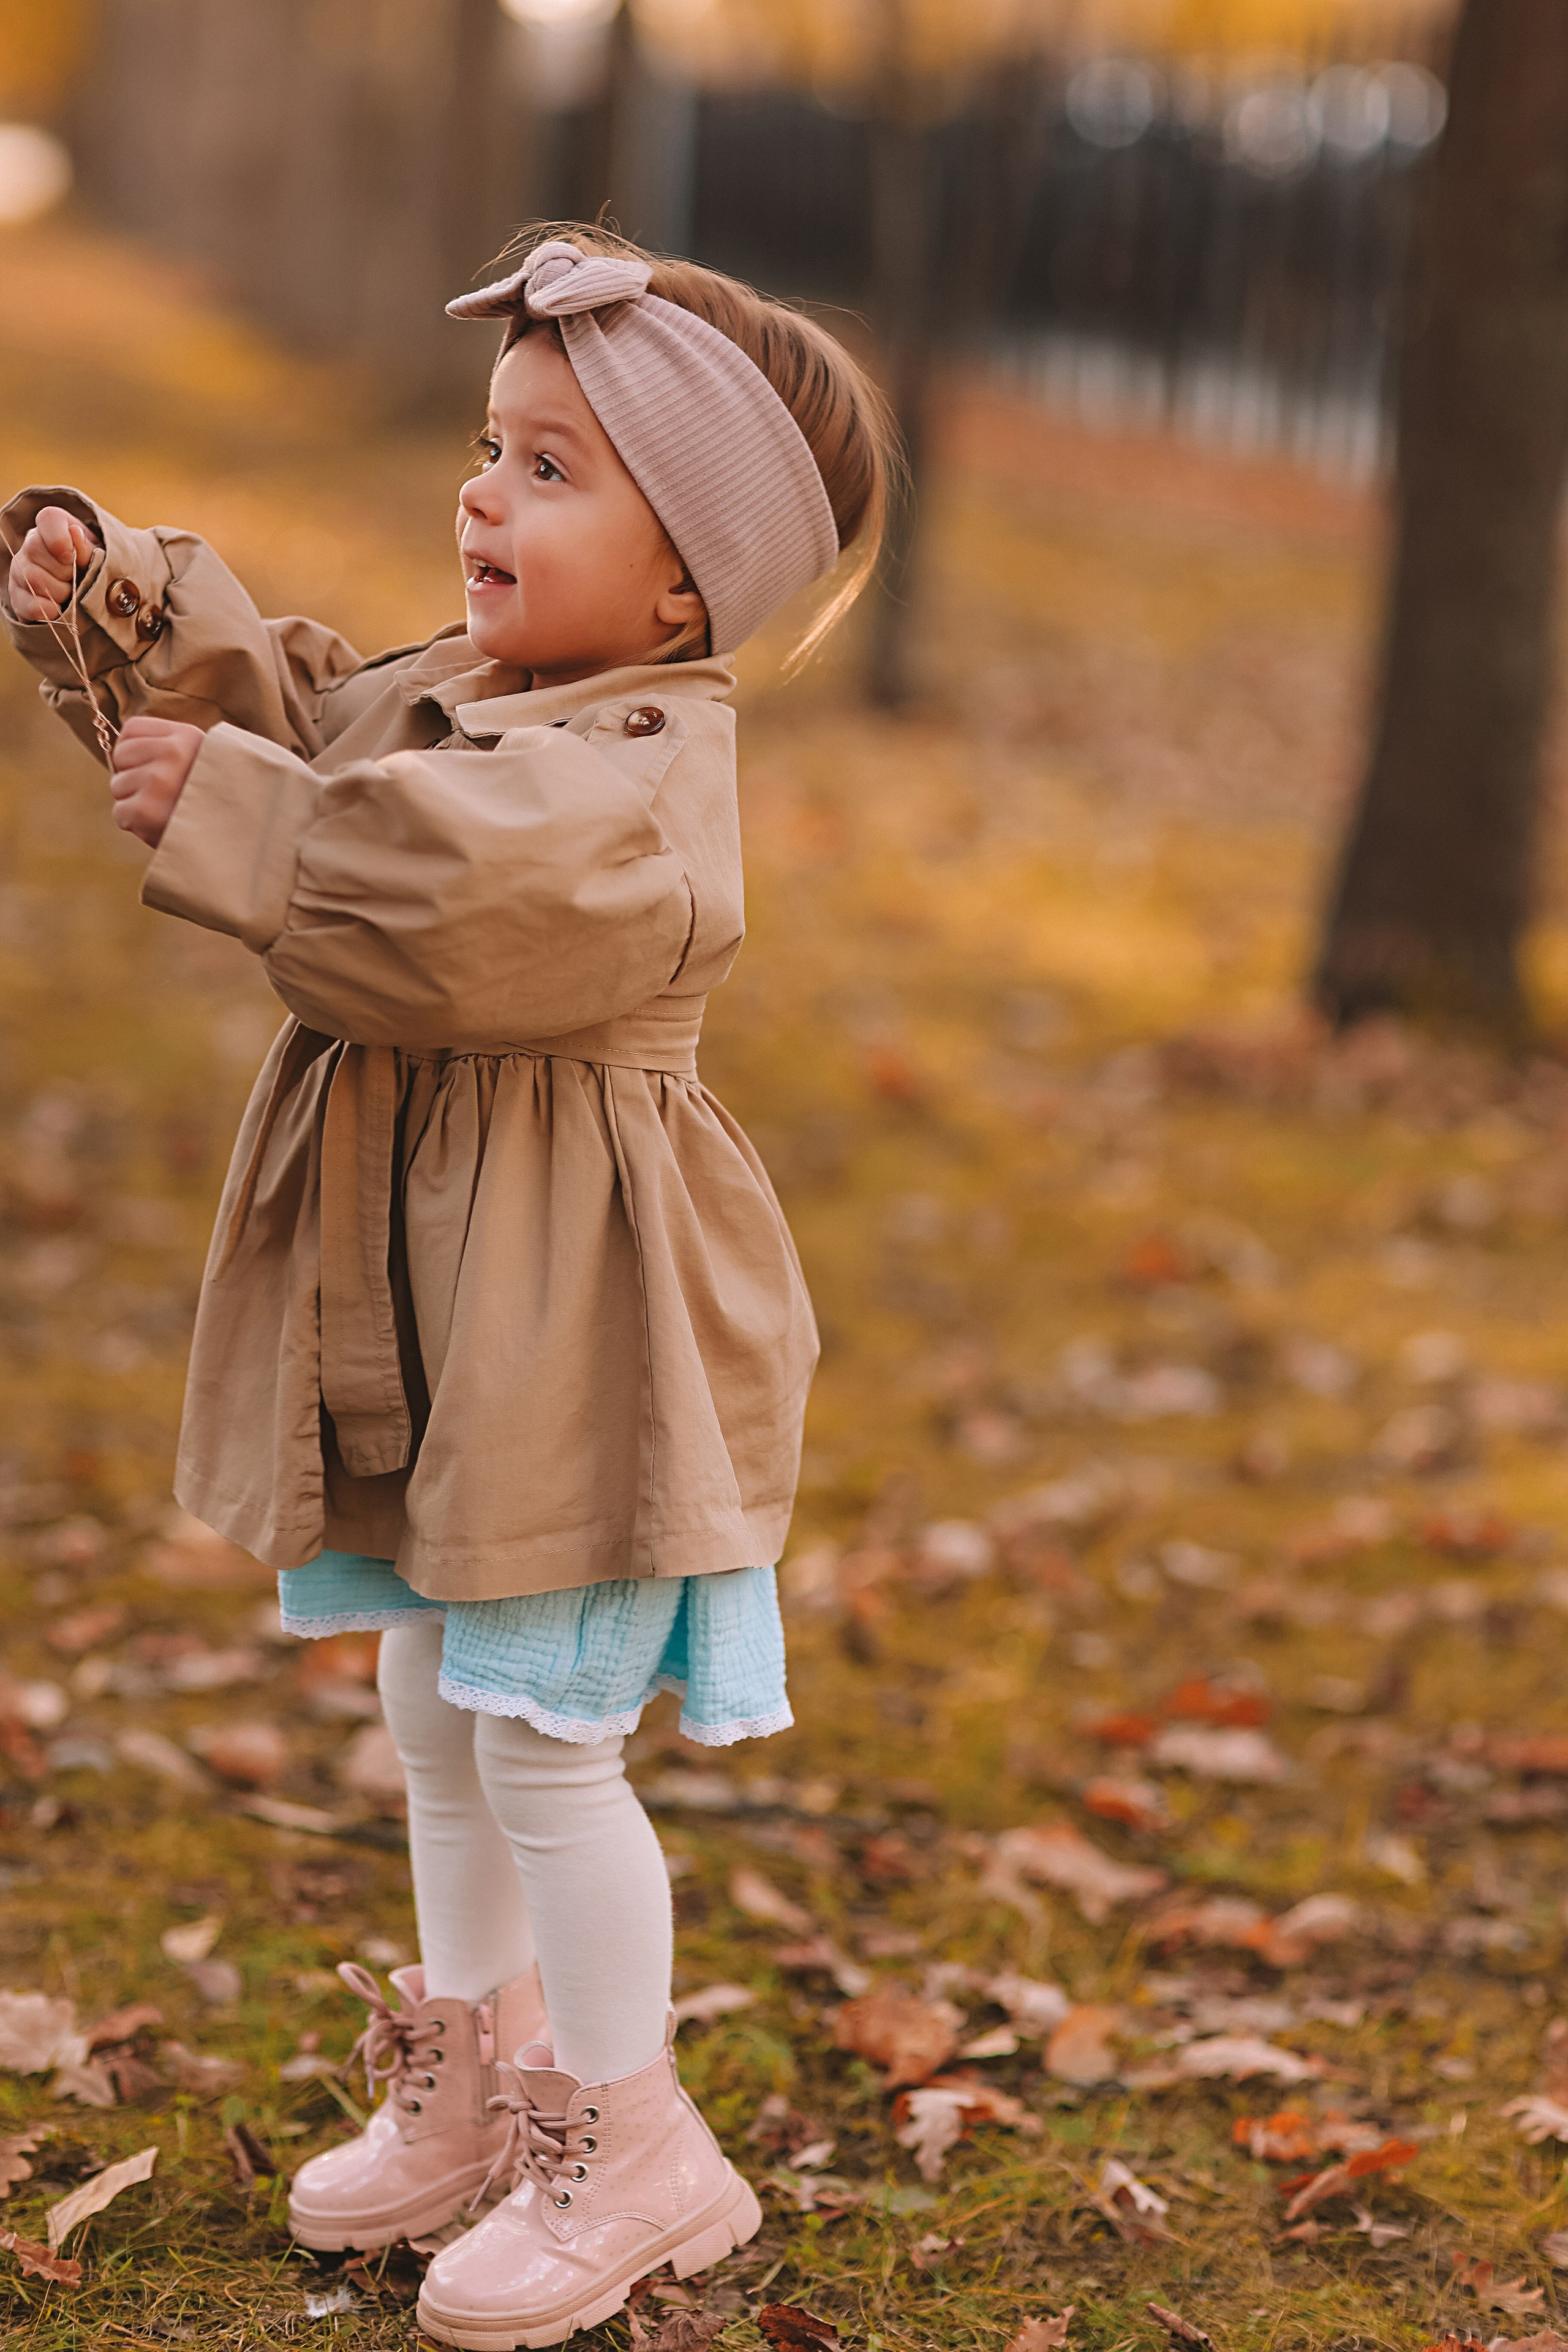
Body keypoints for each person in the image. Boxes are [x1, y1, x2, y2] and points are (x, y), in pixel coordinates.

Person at [1, 226, 894, 2350]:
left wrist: (252, 829)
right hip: (434, 1304)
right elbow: (319, 713)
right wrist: (132, 601)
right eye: (495, 451)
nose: (487, 496)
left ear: (690, 587)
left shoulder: (644, 782)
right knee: (434, 1702)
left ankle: (637, 2137)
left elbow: (447, 893)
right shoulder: (484, 691)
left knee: (545, 1737)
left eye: (556, 470)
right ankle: (485, 2076)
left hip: (578, 1332)